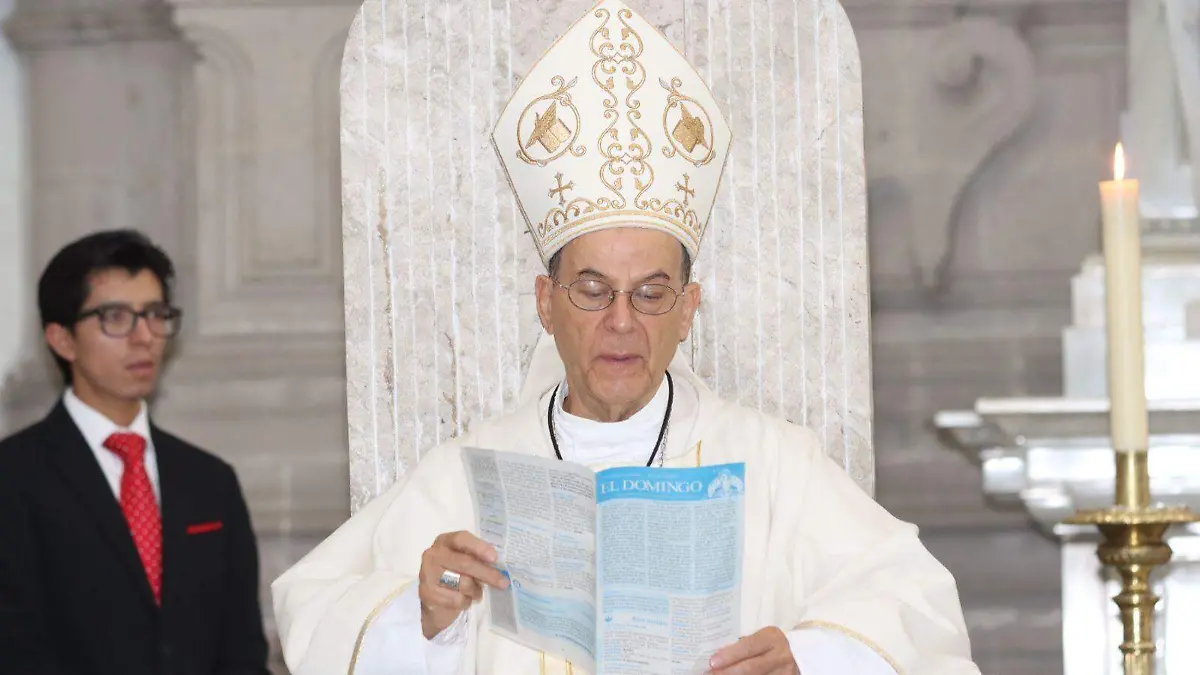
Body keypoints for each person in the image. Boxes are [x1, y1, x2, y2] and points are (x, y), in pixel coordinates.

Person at [271, 1, 981, 674]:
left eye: (650, 293)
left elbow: (916, 607)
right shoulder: (464, 478)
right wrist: (423, 614)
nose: (621, 321)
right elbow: (316, 610)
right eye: (592, 289)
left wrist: (808, 655)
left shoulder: (775, 467)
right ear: (546, 303)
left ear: (688, 309)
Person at [0, 229, 271, 675]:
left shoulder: (210, 481)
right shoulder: (14, 478)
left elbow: (241, 650)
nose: (144, 336)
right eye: (116, 317)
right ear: (62, 339)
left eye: (155, 314)